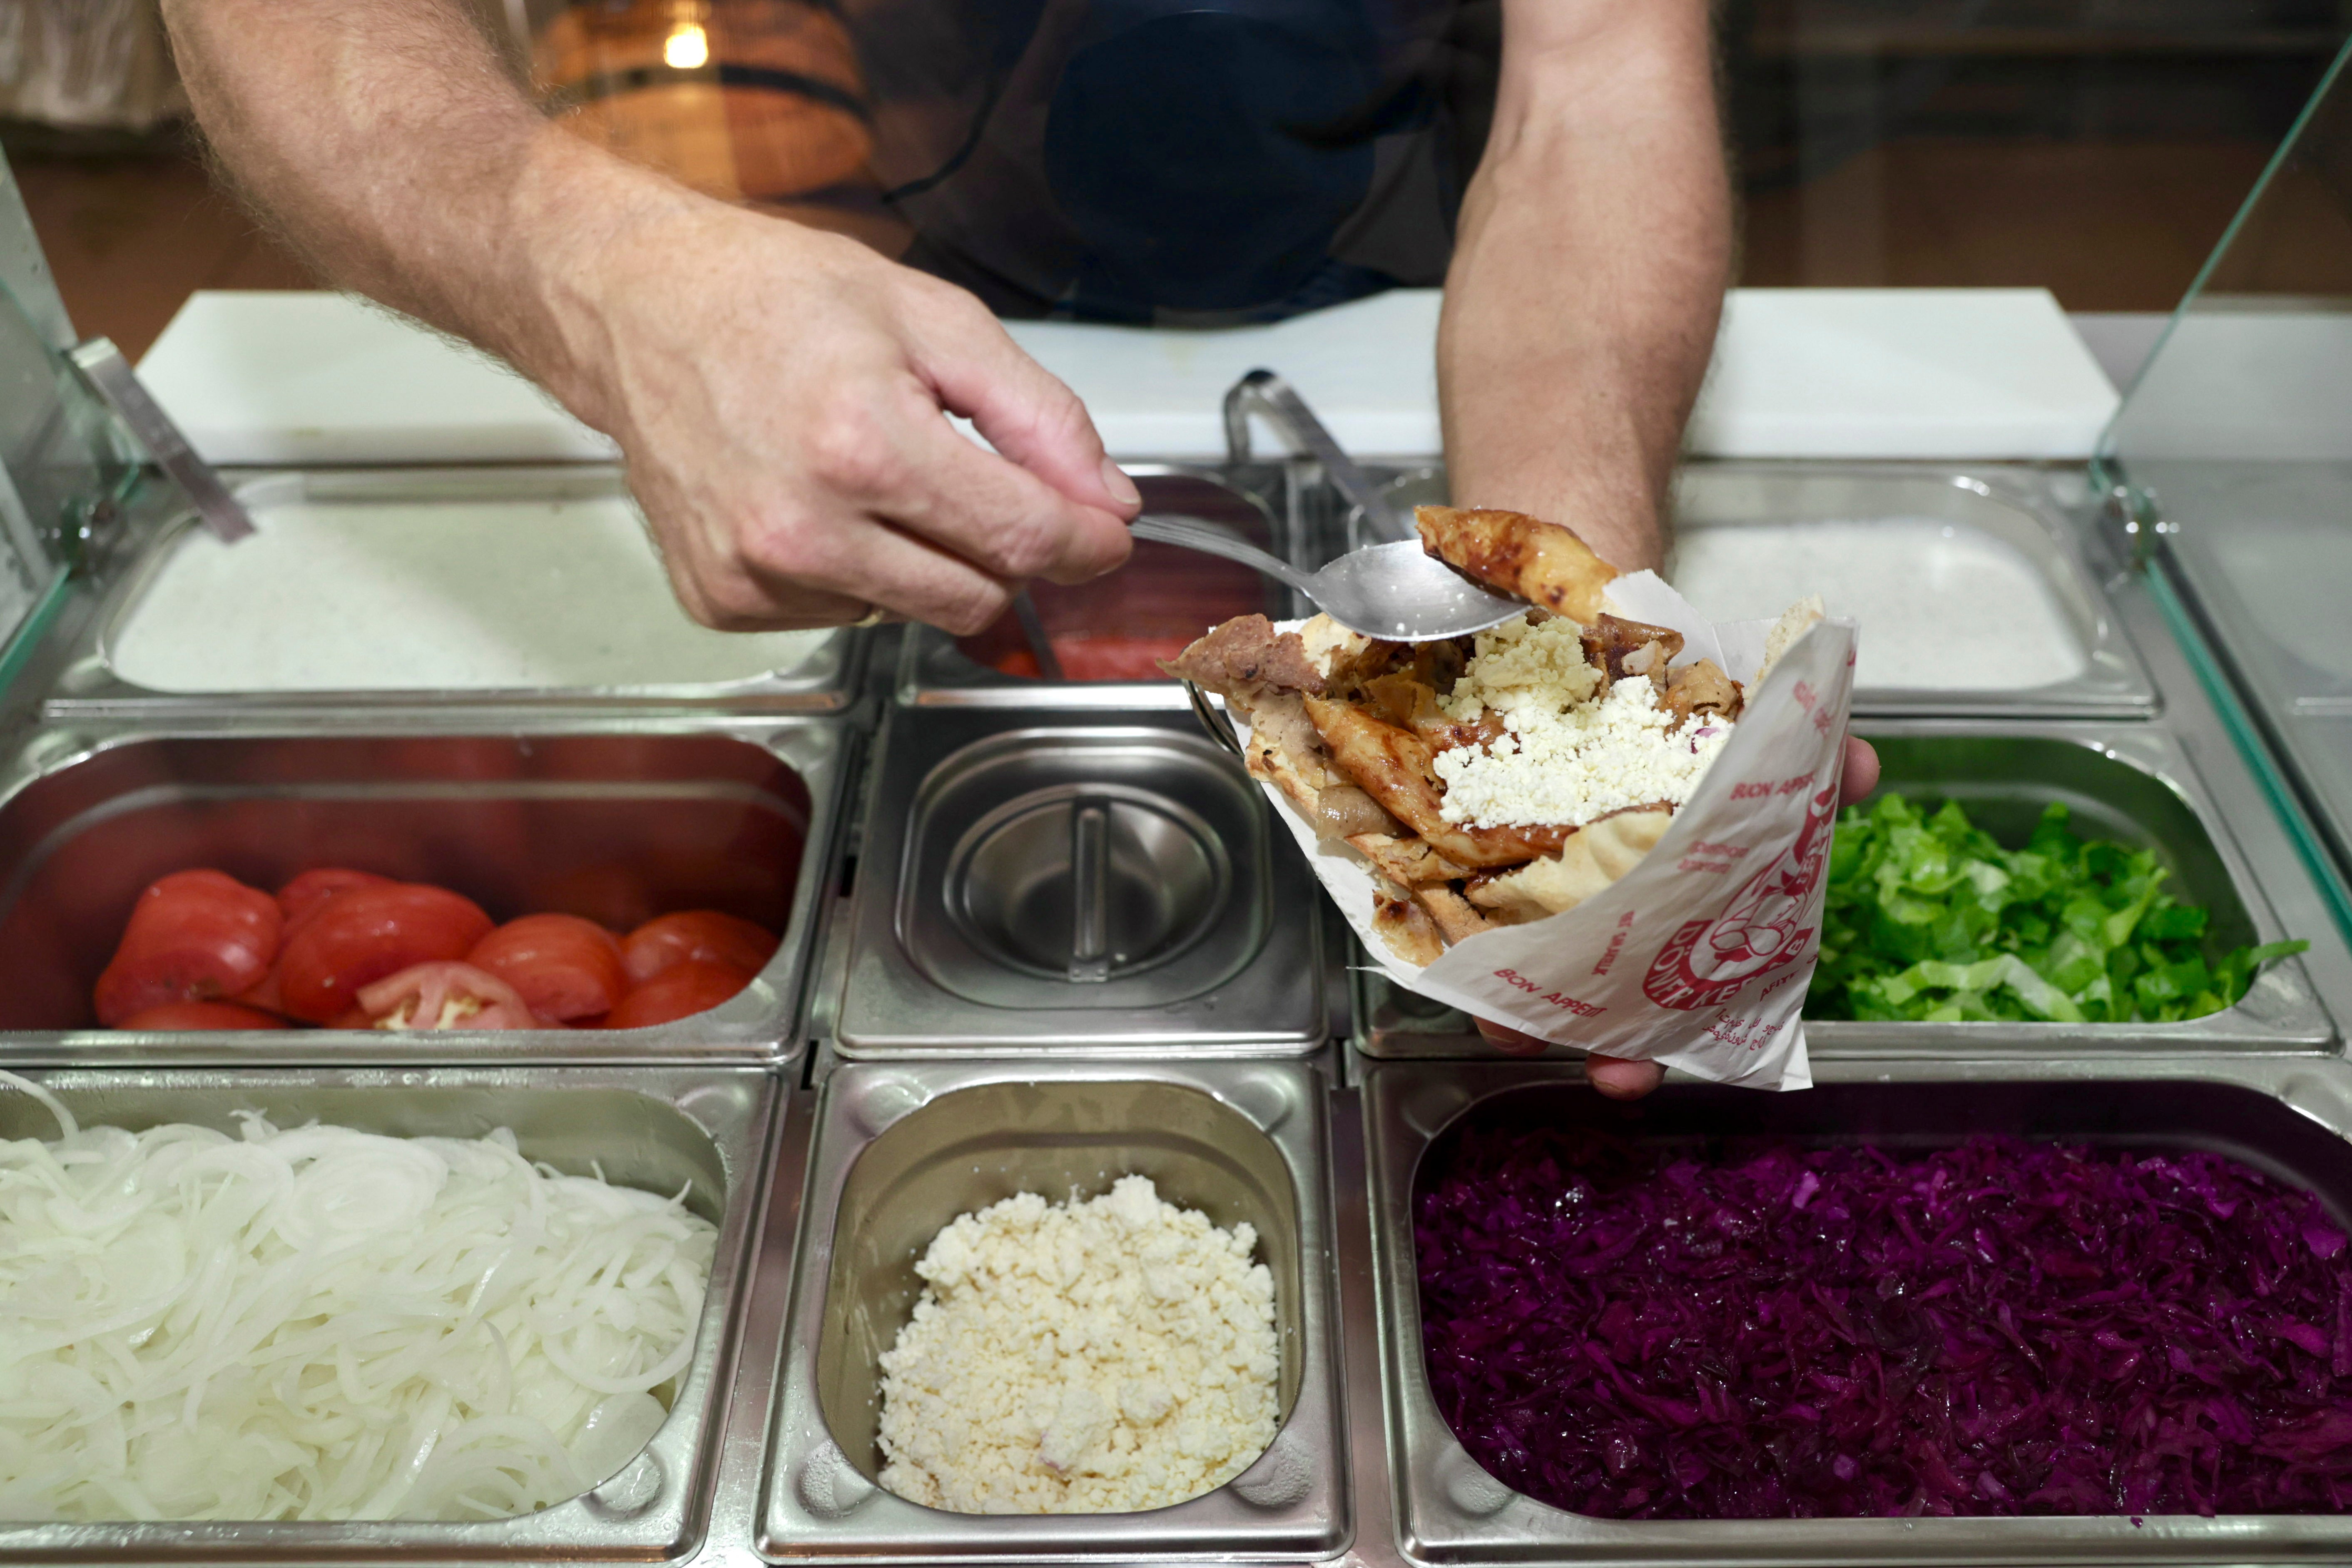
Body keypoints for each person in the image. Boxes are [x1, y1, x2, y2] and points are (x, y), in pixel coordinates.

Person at [161, 0, 1877, 1096]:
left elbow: (1592, 79)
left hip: (1387, 243)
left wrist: (1563, 648)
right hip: (766, 214)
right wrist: (593, 275)